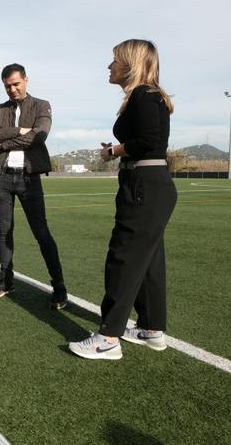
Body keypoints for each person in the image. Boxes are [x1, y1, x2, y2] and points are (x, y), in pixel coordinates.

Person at [69, 39, 177, 360]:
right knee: (149, 260)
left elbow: (149, 140)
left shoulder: (144, 94)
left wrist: (114, 151)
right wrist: (117, 151)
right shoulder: (148, 95)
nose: (109, 66)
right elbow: (147, 139)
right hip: (148, 184)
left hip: (144, 185)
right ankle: (151, 328)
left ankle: (108, 337)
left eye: (114, 60)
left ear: (130, 64)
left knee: (124, 258)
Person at [0, 64, 67, 309]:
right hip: (2, 177)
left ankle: (59, 287)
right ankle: (6, 281)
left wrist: (4, 142)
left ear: (26, 80)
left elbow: (40, 135)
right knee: (4, 232)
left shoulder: (41, 105)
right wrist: (18, 130)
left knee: (41, 232)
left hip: (29, 178)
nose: (12, 89)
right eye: (7, 86)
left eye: (16, 84)